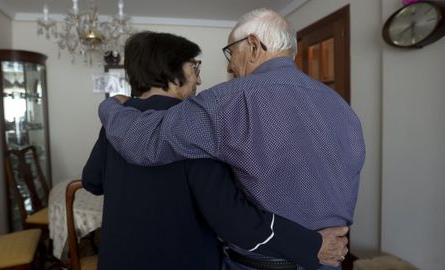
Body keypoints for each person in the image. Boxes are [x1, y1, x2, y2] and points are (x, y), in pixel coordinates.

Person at [98, 8, 365, 269]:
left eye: (231, 52)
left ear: (252, 45)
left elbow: (143, 142)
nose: (229, 64)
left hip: (258, 264)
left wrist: (111, 105)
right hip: (328, 260)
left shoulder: (228, 100)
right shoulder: (341, 106)